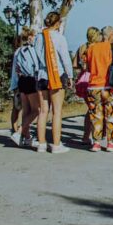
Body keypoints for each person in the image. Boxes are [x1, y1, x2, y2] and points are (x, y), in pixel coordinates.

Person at [34, 12, 73, 154]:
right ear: (57, 24)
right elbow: (65, 58)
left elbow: (36, 57)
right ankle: (56, 144)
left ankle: (41, 144)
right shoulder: (60, 38)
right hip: (57, 74)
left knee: (43, 111)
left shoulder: (39, 37)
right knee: (56, 111)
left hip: (42, 75)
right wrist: (70, 76)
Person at [85, 26, 113, 152]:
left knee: (96, 115)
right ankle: (110, 143)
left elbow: (87, 67)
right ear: (111, 35)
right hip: (109, 86)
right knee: (111, 114)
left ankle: (96, 143)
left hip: (93, 86)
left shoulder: (91, 48)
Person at [10, 27, 40, 148]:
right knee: (36, 110)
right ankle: (19, 131)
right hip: (31, 80)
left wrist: (14, 85)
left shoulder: (18, 51)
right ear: (30, 37)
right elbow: (36, 65)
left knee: (26, 110)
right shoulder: (31, 49)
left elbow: (14, 70)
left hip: (21, 81)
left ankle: (26, 137)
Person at [73, 27, 102, 145]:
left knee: (90, 108)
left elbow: (75, 64)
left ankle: (86, 136)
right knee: (94, 109)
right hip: (92, 79)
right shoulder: (96, 48)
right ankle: (93, 136)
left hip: (82, 78)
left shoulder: (82, 47)